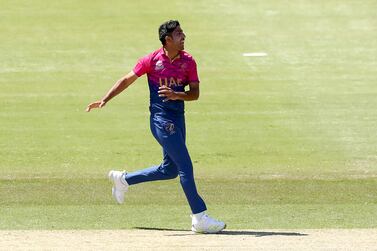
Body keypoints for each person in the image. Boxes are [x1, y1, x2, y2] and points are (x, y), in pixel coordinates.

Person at [86, 20, 226, 234]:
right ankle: (199, 217)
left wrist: (176, 95)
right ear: (167, 39)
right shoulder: (151, 60)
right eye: (179, 34)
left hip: (178, 119)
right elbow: (127, 79)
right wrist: (105, 99)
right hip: (161, 120)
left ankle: (123, 179)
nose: (184, 36)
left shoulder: (189, 61)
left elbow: (195, 94)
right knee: (185, 167)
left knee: (169, 170)